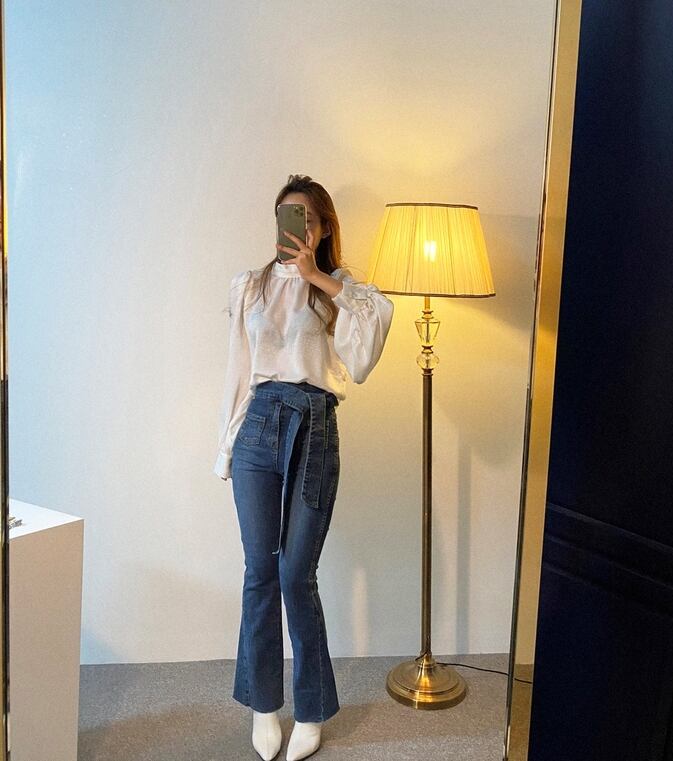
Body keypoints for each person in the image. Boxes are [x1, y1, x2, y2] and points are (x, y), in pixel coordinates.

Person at [214, 174, 394, 760]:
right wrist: (226, 447)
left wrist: (318, 276)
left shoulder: (340, 290)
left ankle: (311, 710)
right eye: (287, 217)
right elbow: (238, 370)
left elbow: (363, 356)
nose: (296, 228)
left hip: (314, 424)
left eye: (307, 219)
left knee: (297, 574)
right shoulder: (251, 286)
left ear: (323, 227)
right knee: (259, 572)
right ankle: (265, 707)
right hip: (258, 427)